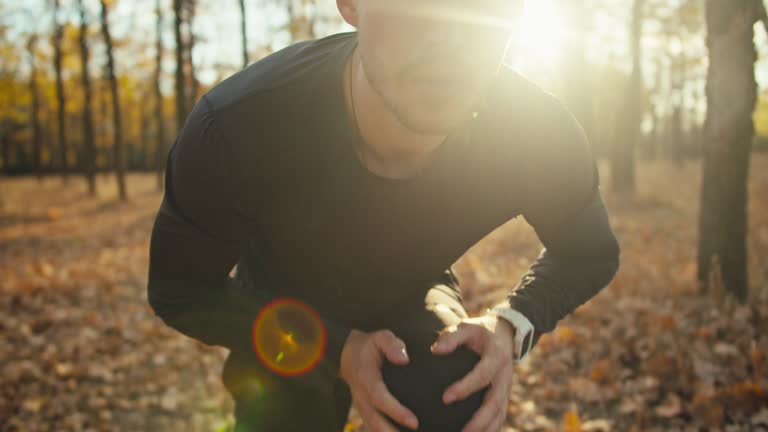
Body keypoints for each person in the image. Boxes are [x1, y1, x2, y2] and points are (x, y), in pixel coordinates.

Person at [146, 0, 621, 431]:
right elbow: (180, 290)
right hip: (280, 308)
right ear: (351, 5)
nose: (451, 42)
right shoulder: (237, 127)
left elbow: (589, 252)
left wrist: (510, 324)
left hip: (411, 293)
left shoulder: (537, 134)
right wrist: (338, 348)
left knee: (456, 400)